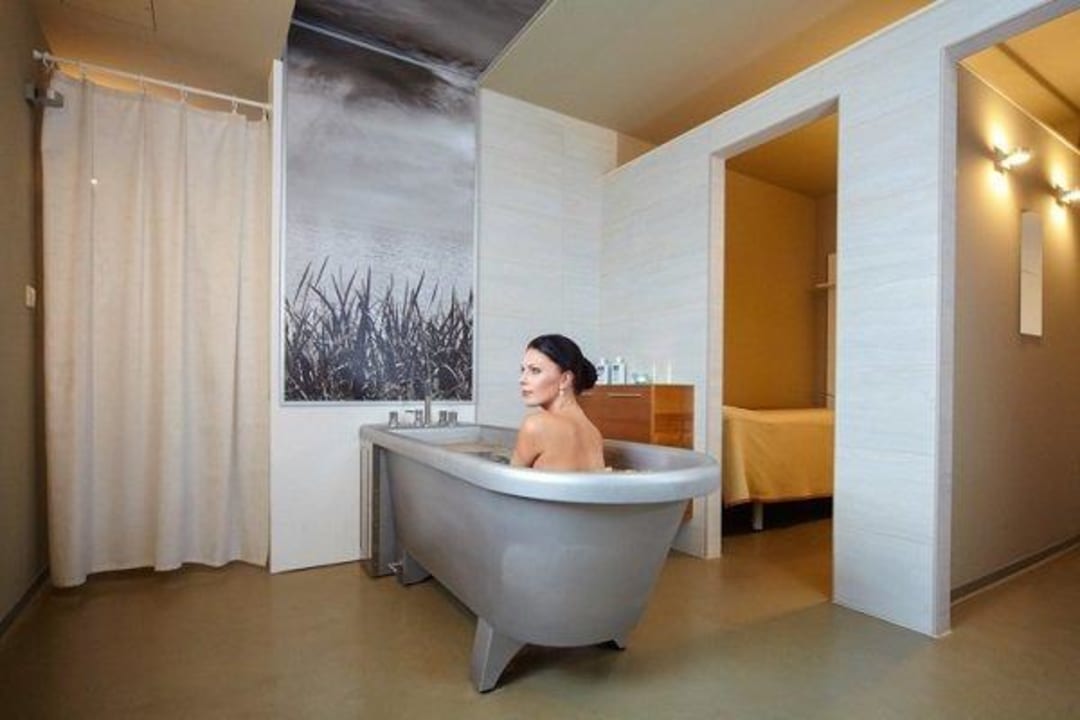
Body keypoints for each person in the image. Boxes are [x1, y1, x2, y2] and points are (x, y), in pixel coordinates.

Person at [511, 334, 605, 471]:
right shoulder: (594, 434)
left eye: (535, 370)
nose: (522, 379)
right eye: (523, 370)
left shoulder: (536, 425)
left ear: (565, 379)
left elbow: (507, 481)